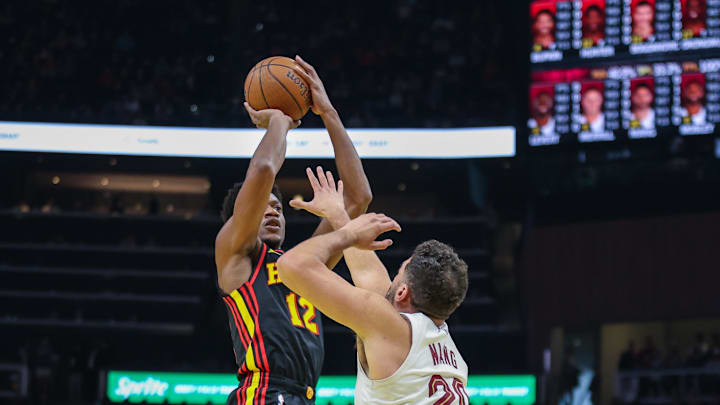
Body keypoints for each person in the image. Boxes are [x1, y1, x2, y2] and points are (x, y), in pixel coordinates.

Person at [215, 56, 373, 404]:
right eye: (264, 206)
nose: (273, 210)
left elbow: (359, 198)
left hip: (303, 396)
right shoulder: (236, 254)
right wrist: (279, 122)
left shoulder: (303, 263)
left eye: (279, 207)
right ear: (239, 220)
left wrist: (328, 113)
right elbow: (265, 167)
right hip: (264, 393)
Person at [278, 168, 470, 404]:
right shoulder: (449, 353)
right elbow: (370, 274)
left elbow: (291, 265)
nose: (392, 279)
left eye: (399, 272)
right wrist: (338, 214)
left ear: (402, 292)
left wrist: (349, 234)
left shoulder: (390, 327)